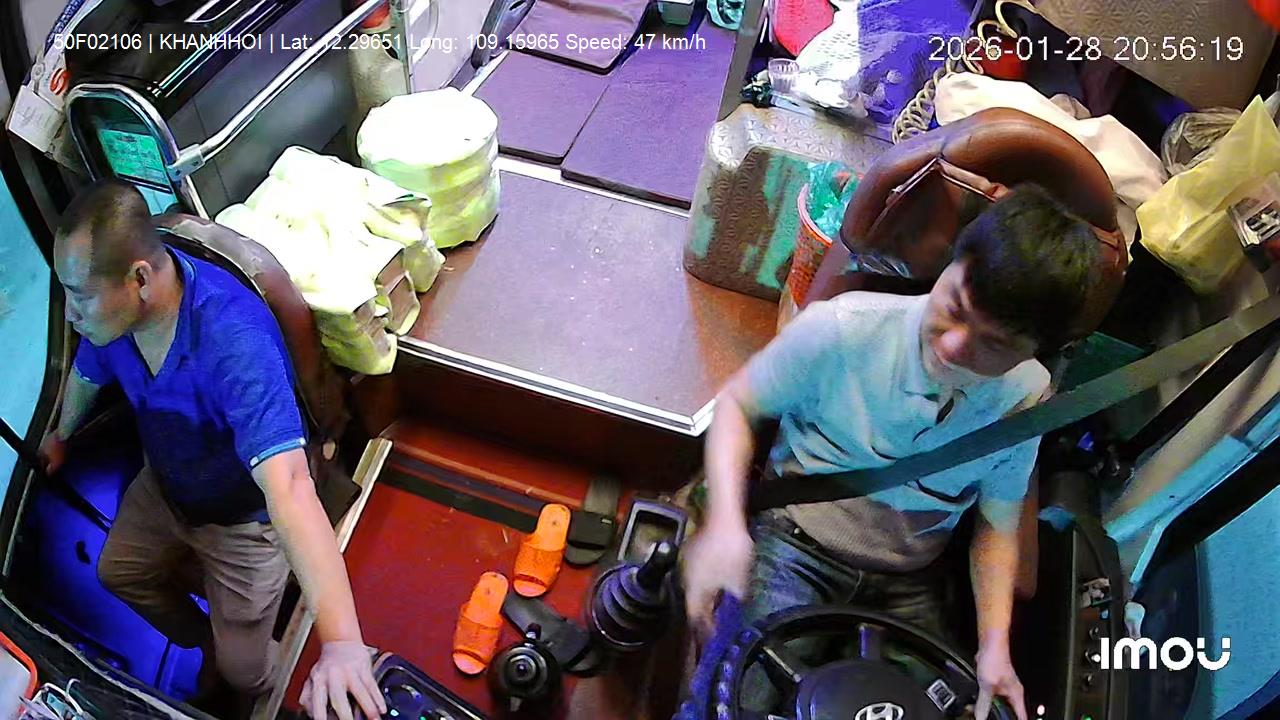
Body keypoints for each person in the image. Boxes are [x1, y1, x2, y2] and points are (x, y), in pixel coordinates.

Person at [682, 184, 1106, 720]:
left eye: (994, 344)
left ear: (1033, 351)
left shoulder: (1026, 396)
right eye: (955, 308)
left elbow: (996, 528)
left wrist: (994, 646)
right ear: (951, 265)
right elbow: (738, 406)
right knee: (730, 704)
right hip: (798, 546)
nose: (953, 346)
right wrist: (725, 524)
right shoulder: (842, 329)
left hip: (910, 578)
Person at [37, 180, 386, 720]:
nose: (70, 313)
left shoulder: (232, 339)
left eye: (80, 294)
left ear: (139, 279)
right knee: (117, 573)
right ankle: (207, 643)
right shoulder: (113, 323)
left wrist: (341, 643)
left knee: (245, 672)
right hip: (167, 486)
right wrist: (60, 435)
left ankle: (251, 674)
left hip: (244, 519)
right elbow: (87, 370)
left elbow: (291, 487)